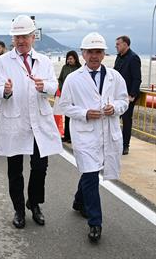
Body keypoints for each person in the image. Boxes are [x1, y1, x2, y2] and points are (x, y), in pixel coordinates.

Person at [0, 15, 62, 229]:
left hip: (38, 122)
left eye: (25, 36)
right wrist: (4, 91)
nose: (21, 41)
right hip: (15, 121)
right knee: (15, 170)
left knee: (40, 167)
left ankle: (34, 203)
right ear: (12, 39)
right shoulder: (2, 62)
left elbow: (53, 84)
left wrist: (44, 87)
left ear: (33, 37)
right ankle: (19, 210)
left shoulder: (44, 61)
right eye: (17, 37)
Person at [59, 32, 128, 242]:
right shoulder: (73, 78)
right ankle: (95, 223)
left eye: (98, 52)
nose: (94, 56)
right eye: (90, 52)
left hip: (108, 132)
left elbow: (124, 101)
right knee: (90, 175)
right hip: (85, 136)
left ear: (104, 53)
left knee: (92, 174)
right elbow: (63, 106)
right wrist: (85, 113)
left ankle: (79, 202)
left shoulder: (115, 77)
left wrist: (114, 107)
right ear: (83, 53)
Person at [113, 35, 141, 155]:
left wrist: (132, 95)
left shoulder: (133, 58)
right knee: (113, 119)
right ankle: (113, 143)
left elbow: (137, 78)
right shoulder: (119, 57)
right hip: (117, 94)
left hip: (128, 95)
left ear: (125, 44)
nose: (116, 46)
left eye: (118, 44)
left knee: (126, 120)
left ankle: (125, 146)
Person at [57, 50, 82, 143]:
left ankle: (73, 137)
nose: (69, 60)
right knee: (67, 117)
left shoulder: (79, 68)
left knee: (75, 117)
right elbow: (60, 79)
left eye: (71, 59)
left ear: (75, 59)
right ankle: (66, 136)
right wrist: (61, 87)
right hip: (66, 95)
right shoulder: (64, 67)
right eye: (68, 59)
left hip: (76, 96)